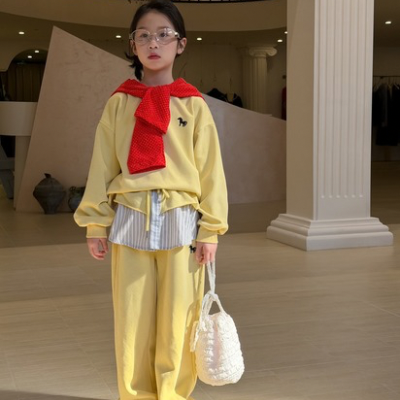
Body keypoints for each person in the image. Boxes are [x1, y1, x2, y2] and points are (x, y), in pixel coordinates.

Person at [73, 0, 228, 399]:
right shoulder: (119, 103)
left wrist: (211, 230)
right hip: (130, 218)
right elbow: (102, 165)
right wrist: (95, 223)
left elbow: (211, 171)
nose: (153, 43)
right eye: (143, 35)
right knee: (132, 322)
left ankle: (172, 395)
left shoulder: (193, 105)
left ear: (181, 44)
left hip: (182, 220)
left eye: (163, 35)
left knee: (179, 319)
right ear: (133, 45)